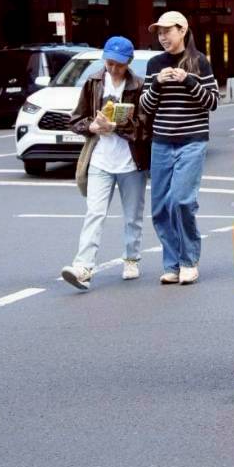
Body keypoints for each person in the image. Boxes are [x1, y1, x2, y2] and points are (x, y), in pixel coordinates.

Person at [60, 36, 151, 290]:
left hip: (131, 162)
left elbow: (146, 128)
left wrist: (119, 127)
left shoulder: (139, 86)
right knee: (94, 213)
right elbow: (76, 119)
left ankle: (131, 258)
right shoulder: (93, 82)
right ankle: (83, 268)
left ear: (129, 63)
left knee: (132, 215)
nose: (113, 69)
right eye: (109, 63)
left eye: (119, 65)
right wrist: (92, 126)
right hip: (100, 159)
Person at [138, 11, 219, 285]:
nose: (162, 37)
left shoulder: (199, 61)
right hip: (161, 142)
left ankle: (188, 261)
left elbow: (212, 102)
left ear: (182, 30)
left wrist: (188, 80)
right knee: (160, 208)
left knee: (182, 201)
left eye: (167, 31)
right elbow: (145, 107)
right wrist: (158, 84)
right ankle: (171, 264)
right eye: (159, 33)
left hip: (193, 140)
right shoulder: (154, 64)